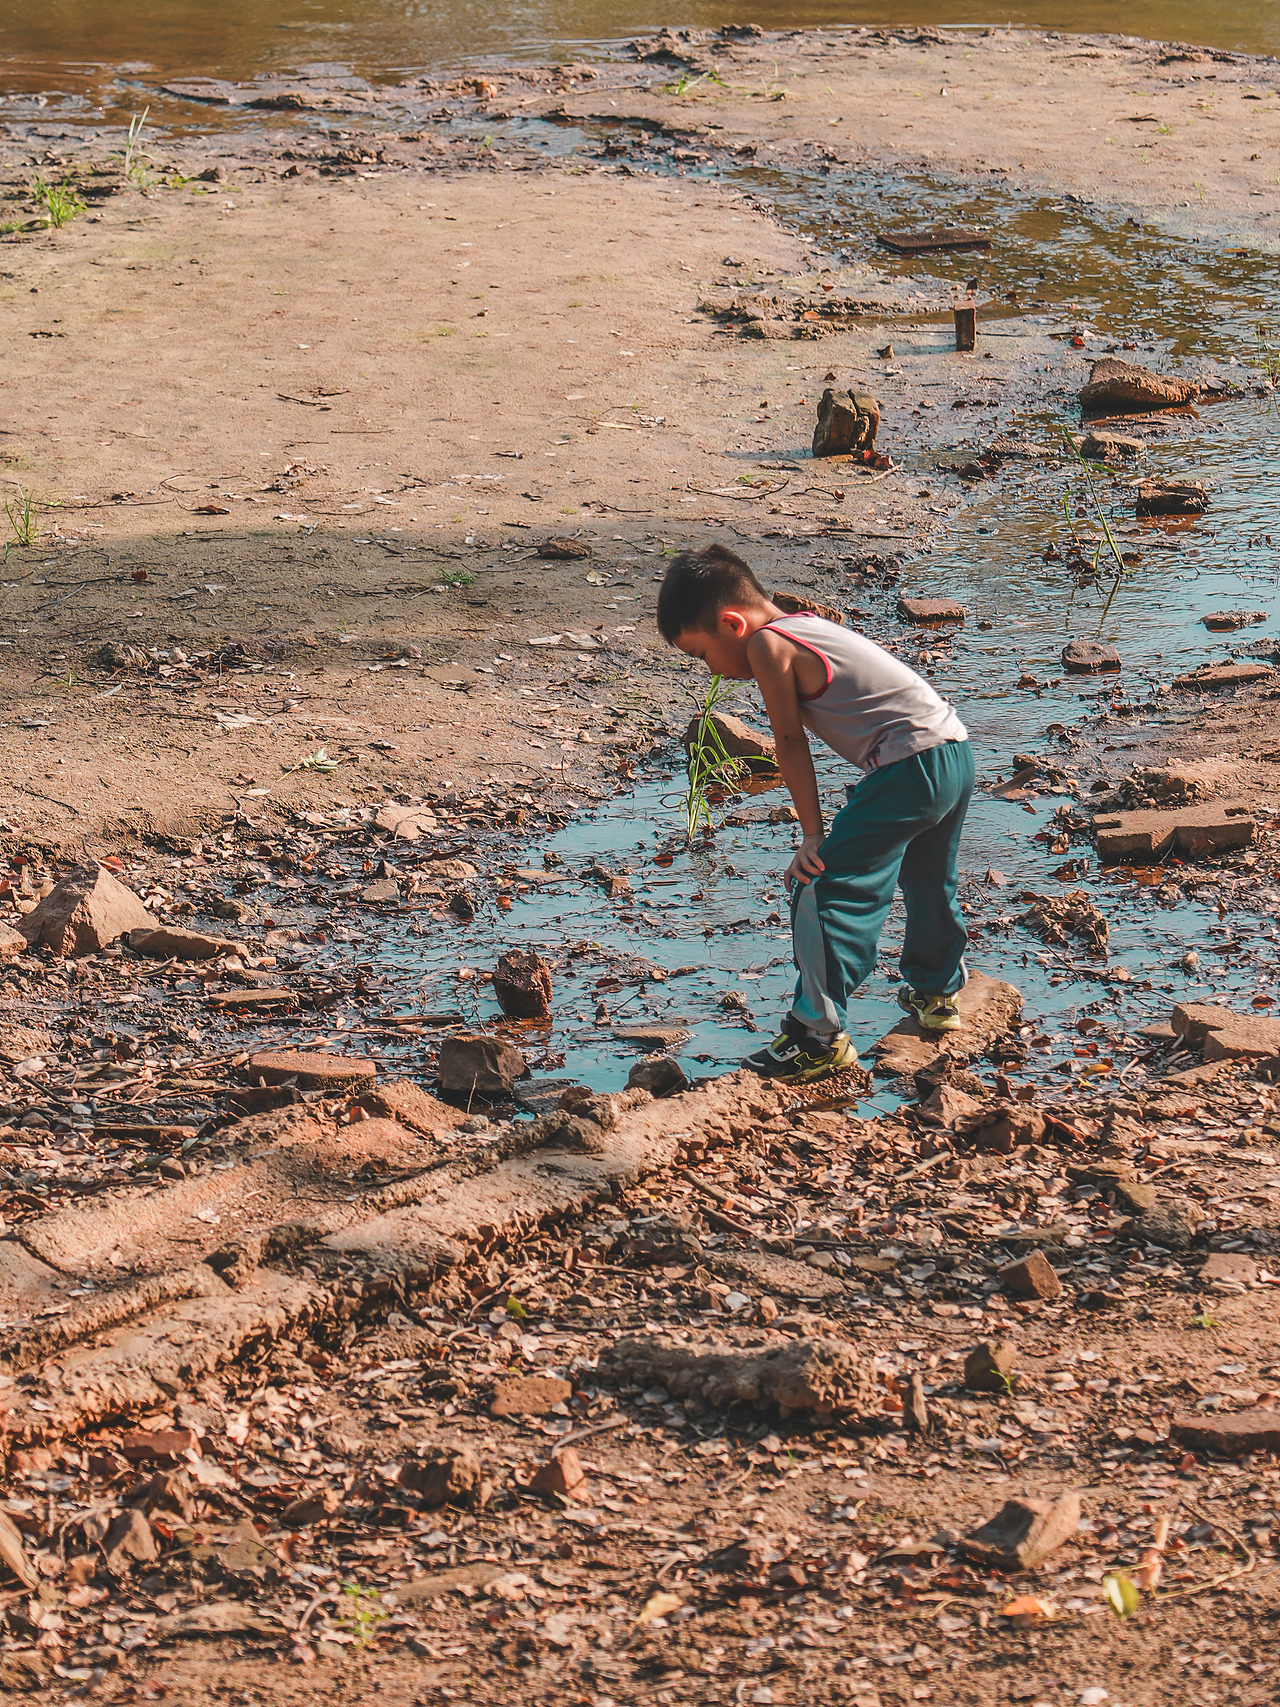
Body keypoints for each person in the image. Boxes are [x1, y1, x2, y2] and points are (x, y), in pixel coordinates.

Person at [657, 543, 974, 1083]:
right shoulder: (801, 624)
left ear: (732, 624)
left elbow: (788, 742)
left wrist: (812, 836)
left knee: (822, 886)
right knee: (927, 878)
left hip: (908, 766)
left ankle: (817, 1035)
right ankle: (937, 991)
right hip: (953, 749)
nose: (707, 670)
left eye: (701, 655)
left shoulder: (765, 644)